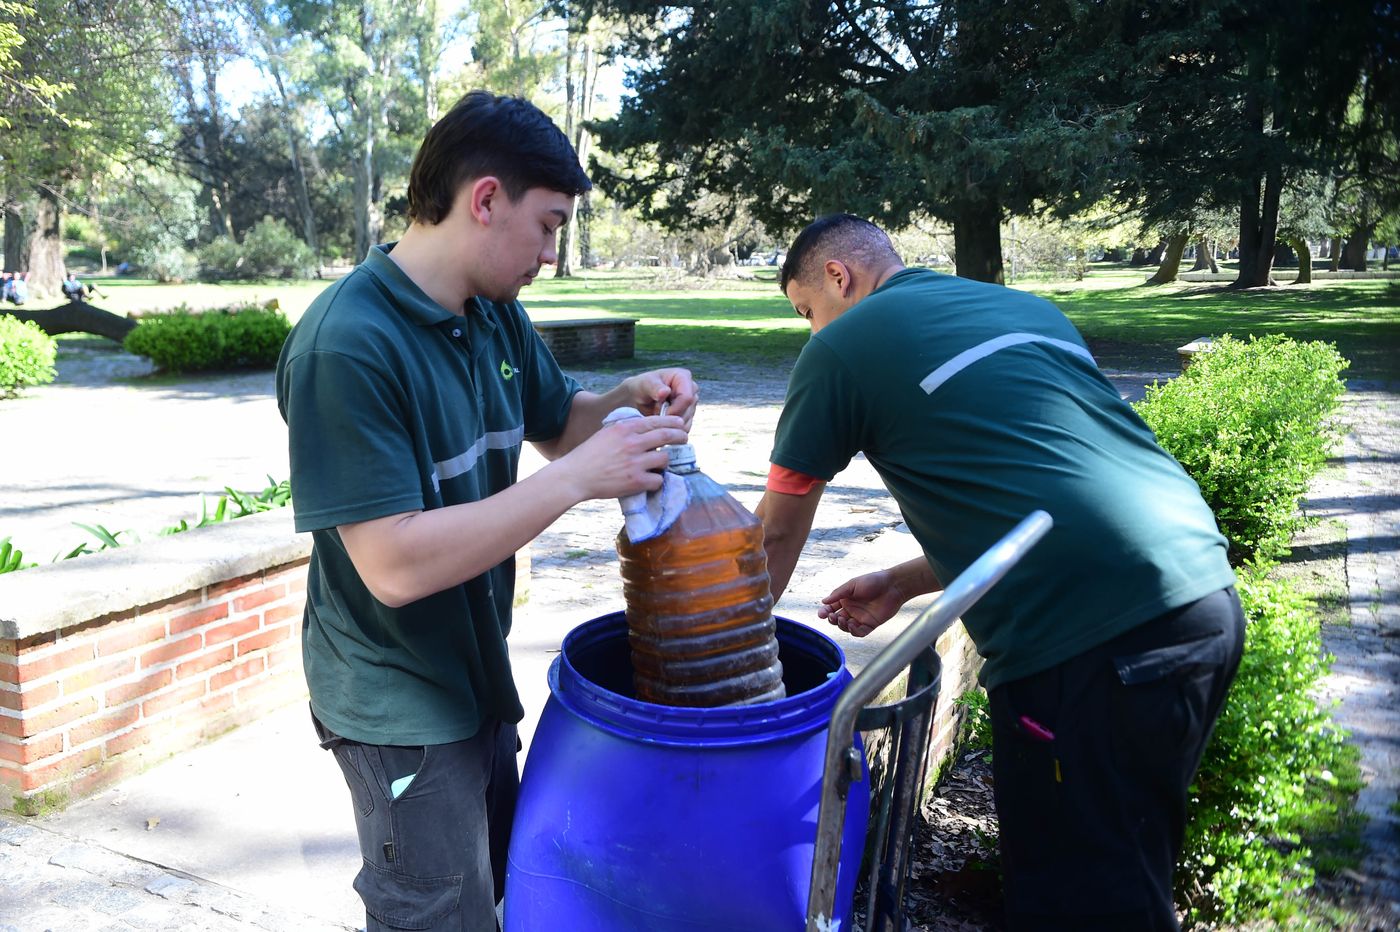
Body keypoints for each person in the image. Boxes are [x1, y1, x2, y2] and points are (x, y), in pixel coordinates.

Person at [275, 90, 697, 932]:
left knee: (496, 884)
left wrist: (625, 403)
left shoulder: (494, 314)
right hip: (395, 700)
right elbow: (393, 566)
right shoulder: (347, 346)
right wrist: (579, 479)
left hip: (475, 673)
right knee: (437, 913)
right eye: (547, 225)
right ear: (485, 200)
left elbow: (557, 425)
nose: (549, 252)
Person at [755, 214, 1244, 931]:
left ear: (838, 277)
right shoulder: (1023, 308)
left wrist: (711, 666)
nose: (811, 333)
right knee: (1129, 872)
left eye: (807, 313)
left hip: (1089, 643)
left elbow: (773, 533)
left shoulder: (843, 349)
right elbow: (1048, 485)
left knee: (1075, 904)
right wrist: (902, 581)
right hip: (1202, 600)